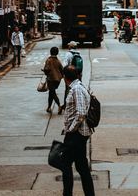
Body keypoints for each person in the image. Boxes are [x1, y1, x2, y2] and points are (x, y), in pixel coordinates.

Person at [61, 65, 95, 196]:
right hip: (79, 134)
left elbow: (81, 114)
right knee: (82, 167)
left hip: (77, 134)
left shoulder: (76, 89)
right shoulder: (78, 87)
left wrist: (70, 129)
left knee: (65, 163)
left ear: (65, 77)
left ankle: (67, 193)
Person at [43, 46, 65, 115]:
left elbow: (46, 69)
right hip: (58, 80)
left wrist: (45, 71)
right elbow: (62, 69)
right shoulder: (58, 61)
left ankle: (59, 106)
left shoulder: (49, 60)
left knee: (52, 93)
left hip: (51, 79)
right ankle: (49, 107)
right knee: (51, 93)